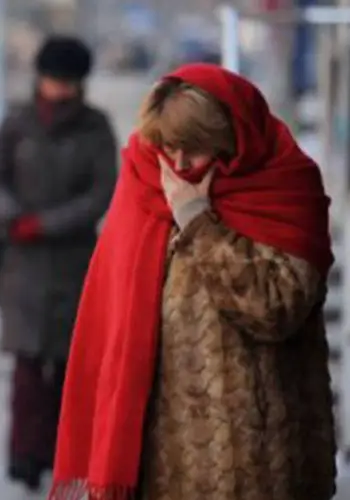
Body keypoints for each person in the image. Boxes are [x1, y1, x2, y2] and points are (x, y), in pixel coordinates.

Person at [49, 63, 337, 500]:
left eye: (195, 149)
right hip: (161, 458)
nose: (180, 164)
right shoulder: (145, 185)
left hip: (255, 456)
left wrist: (198, 222)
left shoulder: (284, 189)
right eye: (169, 146)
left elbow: (275, 308)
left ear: (232, 140)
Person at [0, 35, 118, 492]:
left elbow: (101, 193)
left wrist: (47, 224)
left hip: (73, 265)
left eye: (68, 81)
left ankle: (64, 457)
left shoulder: (96, 127)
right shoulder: (17, 122)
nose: (59, 88)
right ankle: (23, 457)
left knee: (66, 370)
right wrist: (10, 216)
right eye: (53, 79)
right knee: (25, 371)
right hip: (20, 266)